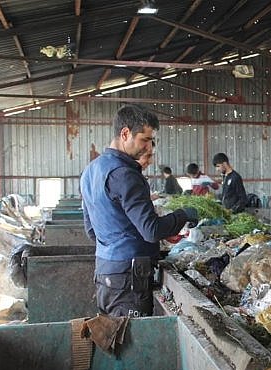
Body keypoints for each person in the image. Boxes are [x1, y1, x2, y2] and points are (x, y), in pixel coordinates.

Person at [80, 104, 198, 317]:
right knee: (130, 340)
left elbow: (91, 231)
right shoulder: (125, 174)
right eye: (144, 139)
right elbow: (151, 230)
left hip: (105, 271)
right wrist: (183, 215)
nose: (148, 147)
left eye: (151, 141)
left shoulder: (91, 171)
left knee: (112, 337)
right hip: (129, 278)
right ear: (125, 133)